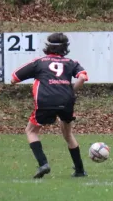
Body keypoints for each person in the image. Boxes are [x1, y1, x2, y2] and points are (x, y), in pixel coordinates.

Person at [11, 32, 89, 179]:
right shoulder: (71, 62)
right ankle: (79, 170)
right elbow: (83, 77)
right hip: (66, 101)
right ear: (65, 48)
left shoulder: (39, 62)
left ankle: (43, 164)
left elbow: (14, 77)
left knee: (31, 131)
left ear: (48, 46)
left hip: (45, 100)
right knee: (68, 134)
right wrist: (70, 90)